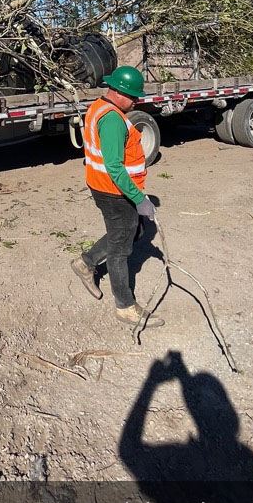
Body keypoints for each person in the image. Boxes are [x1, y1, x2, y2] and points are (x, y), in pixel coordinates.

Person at [71, 65, 164, 327]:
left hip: (104, 185)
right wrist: (139, 199)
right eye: (133, 97)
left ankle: (85, 263)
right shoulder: (112, 119)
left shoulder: (100, 106)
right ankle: (125, 306)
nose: (136, 101)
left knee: (130, 232)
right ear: (119, 92)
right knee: (121, 247)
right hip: (113, 191)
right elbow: (114, 167)